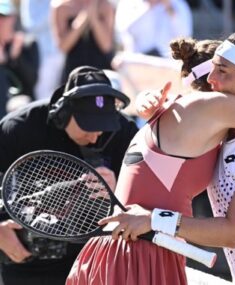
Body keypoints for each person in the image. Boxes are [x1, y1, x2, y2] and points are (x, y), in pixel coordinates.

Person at [91, 29, 235, 285]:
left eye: (222, 71)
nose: (211, 79)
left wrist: (153, 219)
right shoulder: (218, 137)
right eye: (211, 69)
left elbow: (232, 232)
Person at [0, 66, 139, 285]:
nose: (95, 137)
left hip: (94, 260)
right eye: (88, 127)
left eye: (102, 128)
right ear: (63, 113)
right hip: (27, 261)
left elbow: (147, 198)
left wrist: (119, 188)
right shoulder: (20, 127)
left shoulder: (125, 132)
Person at [51, 0, 116, 82]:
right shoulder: (62, 7)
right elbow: (63, 47)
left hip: (101, 72)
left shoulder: (105, 6)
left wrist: (94, 18)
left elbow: (106, 46)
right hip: (73, 73)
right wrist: (81, 20)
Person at [115, 0, 193, 57]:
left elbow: (185, 35)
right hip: (137, 61)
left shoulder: (178, 4)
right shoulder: (127, 3)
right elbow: (122, 33)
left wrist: (169, 8)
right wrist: (148, 7)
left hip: (166, 63)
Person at [20, 0, 65, 100]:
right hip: (41, 54)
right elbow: (30, 24)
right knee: (43, 95)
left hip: (59, 53)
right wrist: (55, 12)